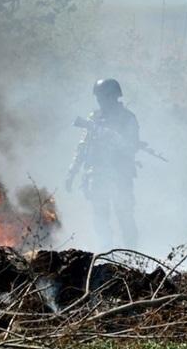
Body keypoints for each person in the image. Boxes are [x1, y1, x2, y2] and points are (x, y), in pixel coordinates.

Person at [66, 78, 140, 250]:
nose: (100, 101)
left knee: (124, 215)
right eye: (99, 97)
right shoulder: (95, 118)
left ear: (113, 97)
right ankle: (106, 252)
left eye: (103, 97)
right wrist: (72, 172)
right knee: (100, 216)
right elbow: (82, 146)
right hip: (97, 175)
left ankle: (132, 253)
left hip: (120, 174)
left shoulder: (128, 119)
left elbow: (132, 147)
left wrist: (112, 137)